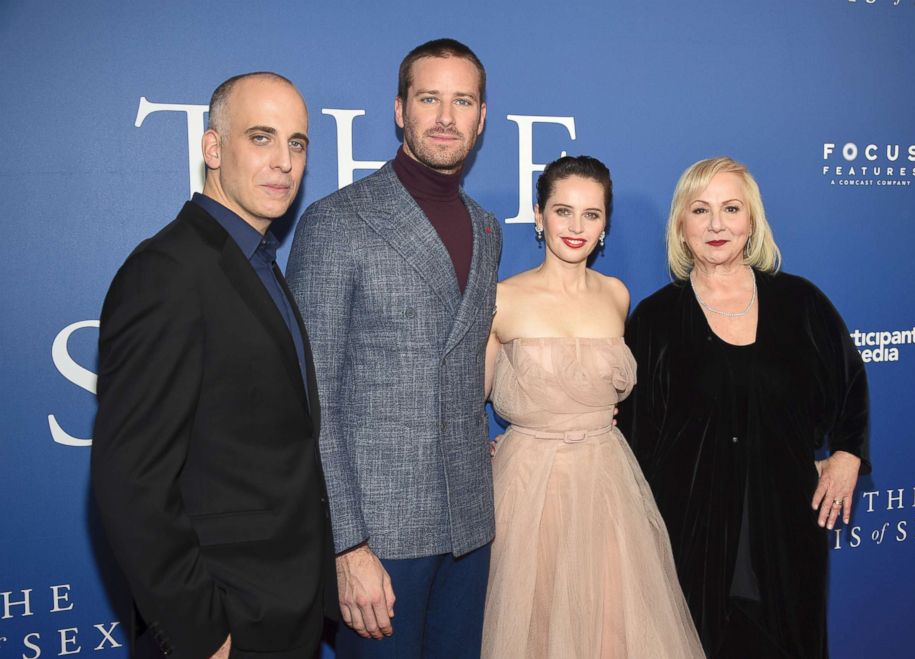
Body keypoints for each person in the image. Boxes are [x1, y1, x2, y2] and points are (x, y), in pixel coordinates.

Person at [91, 72, 335, 659]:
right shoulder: (167, 272)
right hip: (228, 619)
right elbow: (132, 481)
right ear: (212, 148)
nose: (283, 162)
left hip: (284, 607)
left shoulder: (257, 261)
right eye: (261, 137)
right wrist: (203, 634)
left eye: (296, 143)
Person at [286, 39, 501, 659]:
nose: (445, 116)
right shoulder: (337, 221)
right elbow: (310, 398)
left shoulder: (487, 229)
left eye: (462, 101)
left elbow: (468, 366)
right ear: (400, 110)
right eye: (428, 97)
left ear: (482, 117)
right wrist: (346, 546)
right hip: (379, 537)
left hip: (469, 527)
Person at [618, 156, 870, 658]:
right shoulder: (655, 320)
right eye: (701, 210)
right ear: (681, 225)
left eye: (731, 209)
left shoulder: (801, 303)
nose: (716, 225)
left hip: (787, 527)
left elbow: (850, 384)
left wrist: (847, 456)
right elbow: (629, 433)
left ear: (751, 221)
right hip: (688, 533)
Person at [481, 155, 704, 659]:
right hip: (527, 487)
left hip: (608, 482)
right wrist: (484, 442)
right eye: (563, 211)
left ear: (605, 224)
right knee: (534, 630)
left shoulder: (617, 296)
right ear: (539, 216)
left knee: (614, 632)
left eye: (591, 214)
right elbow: (467, 398)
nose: (576, 227)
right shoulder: (502, 299)